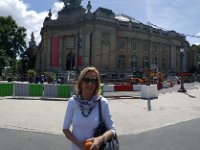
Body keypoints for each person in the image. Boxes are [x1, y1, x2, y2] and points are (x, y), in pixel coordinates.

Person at [63, 66, 116, 150]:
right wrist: (81, 146)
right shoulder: (73, 102)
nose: (90, 84)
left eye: (94, 81)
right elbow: (65, 129)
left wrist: (100, 139)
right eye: (87, 80)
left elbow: (112, 130)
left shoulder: (102, 103)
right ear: (80, 82)